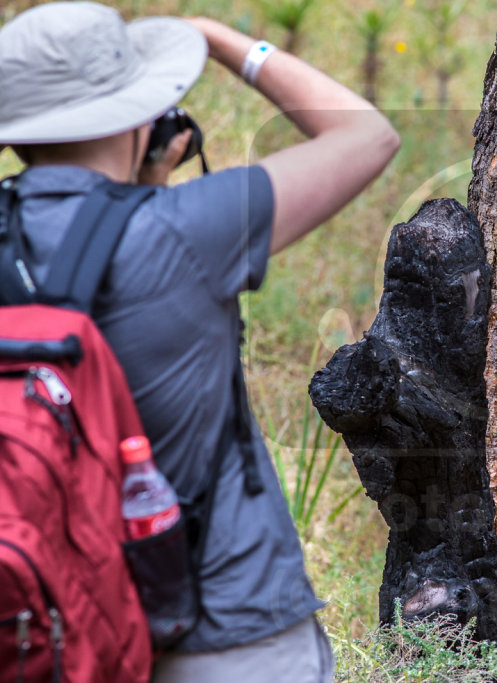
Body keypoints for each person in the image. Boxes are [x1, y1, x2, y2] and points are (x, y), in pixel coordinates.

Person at [0, 2, 400, 681]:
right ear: (140, 113)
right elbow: (367, 137)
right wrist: (218, 41)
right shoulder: (188, 228)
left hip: (44, 625)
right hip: (224, 629)